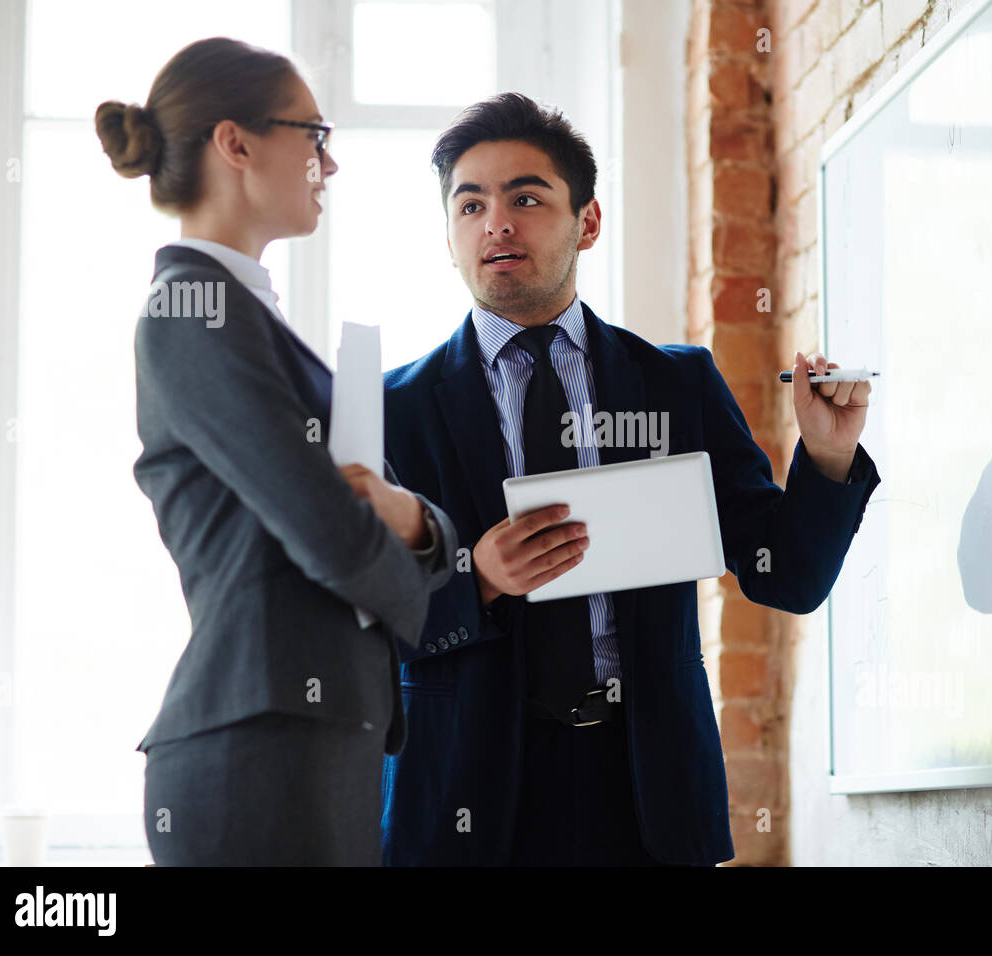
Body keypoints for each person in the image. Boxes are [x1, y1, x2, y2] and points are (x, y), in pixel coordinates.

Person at [379, 92, 881, 866]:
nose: (496, 223)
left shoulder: (677, 385)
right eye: (470, 204)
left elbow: (788, 578)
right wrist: (472, 575)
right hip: (461, 798)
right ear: (449, 238)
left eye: (526, 197)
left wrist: (826, 457)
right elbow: (359, 625)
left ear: (588, 222)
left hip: (647, 794)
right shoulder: (392, 411)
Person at [95, 36, 456, 865]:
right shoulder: (192, 309)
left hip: (306, 741)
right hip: (259, 748)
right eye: (314, 134)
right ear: (236, 143)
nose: (329, 162)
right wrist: (412, 538)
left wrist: (412, 521)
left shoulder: (244, 314)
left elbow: (381, 514)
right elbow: (327, 528)